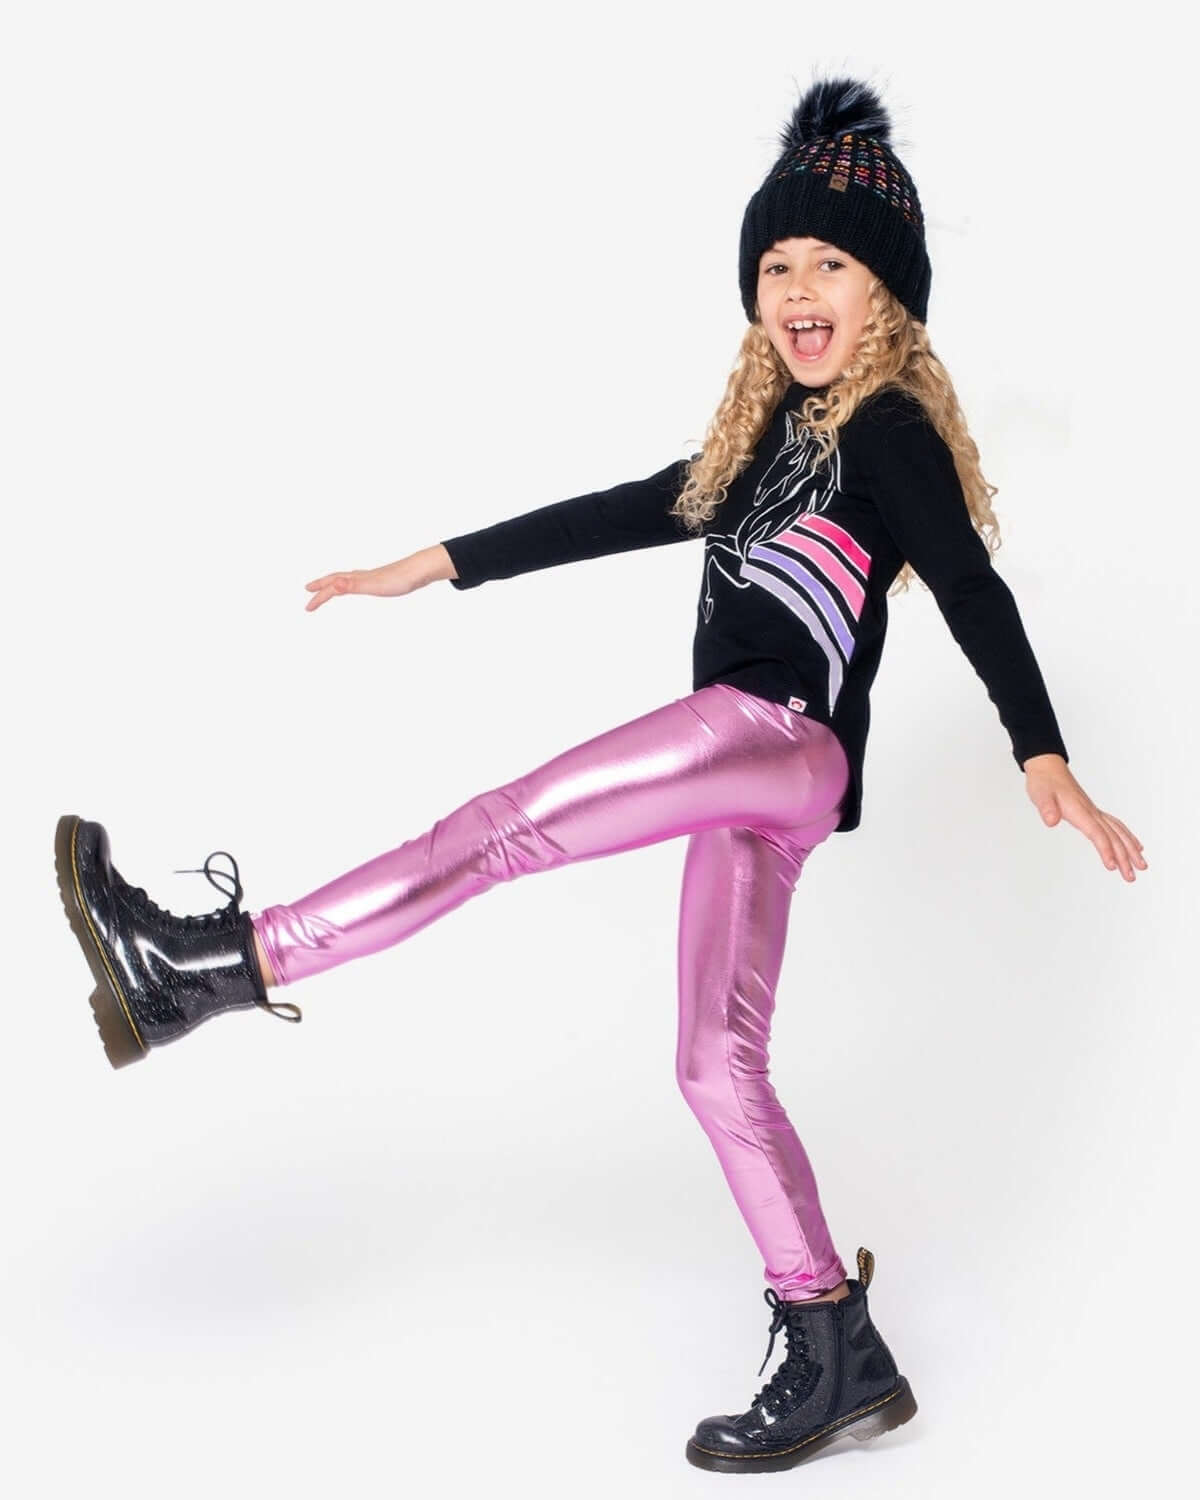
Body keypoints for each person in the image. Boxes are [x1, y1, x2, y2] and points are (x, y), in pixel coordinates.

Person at [53, 73, 1146, 1475]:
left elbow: (972, 585)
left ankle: (215, 963)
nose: (799, 289)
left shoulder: (886, 431)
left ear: (885, 297)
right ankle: (834, 1347)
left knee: (501, 828)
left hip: (777, 737)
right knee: (712, 1064)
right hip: (762, 780)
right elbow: (622, 511)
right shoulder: (764, 445)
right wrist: (434, 565)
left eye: (830, 264)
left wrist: (1041, 750)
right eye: (776, 265)